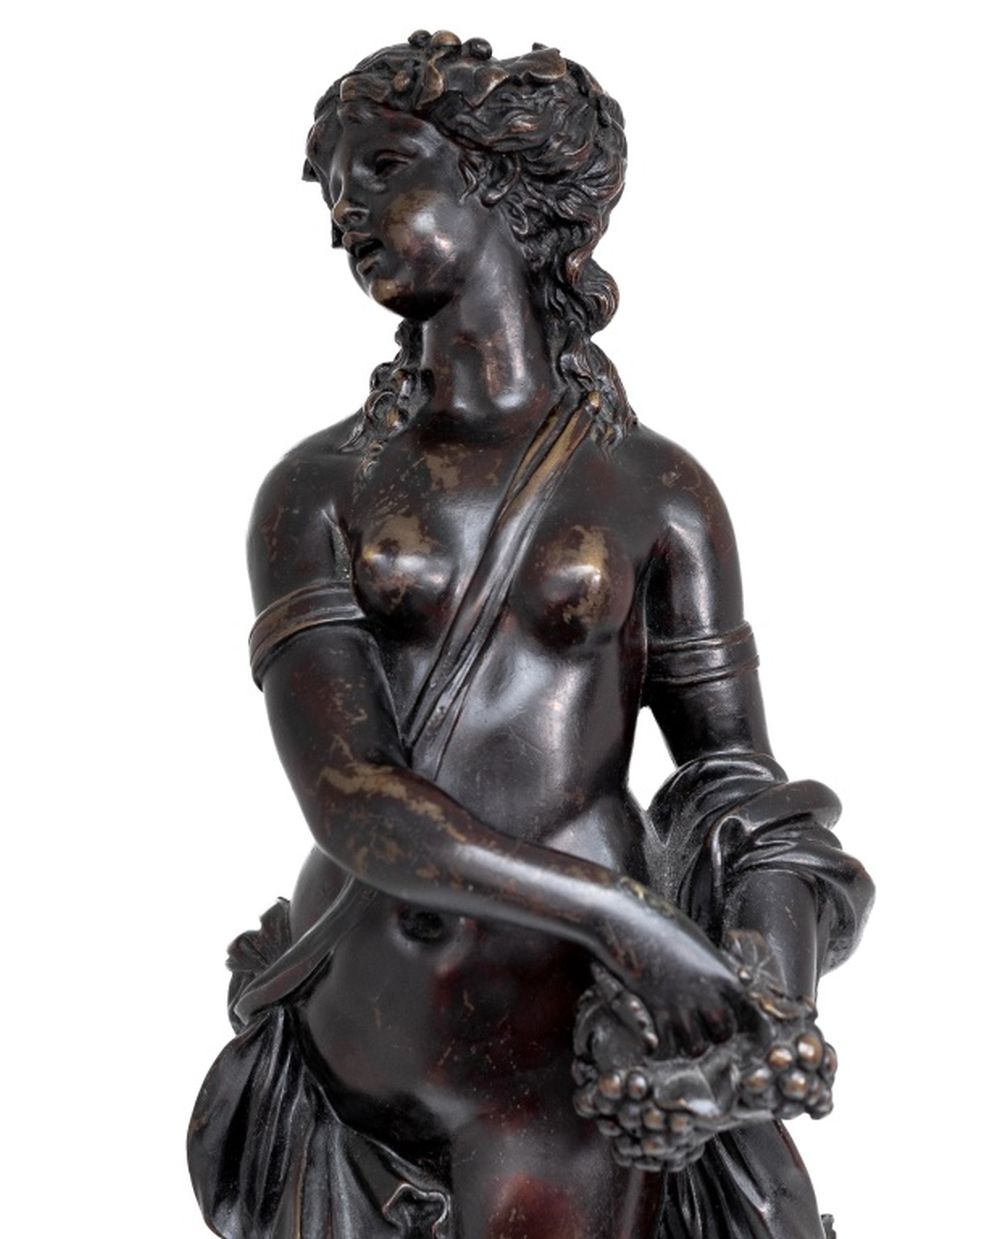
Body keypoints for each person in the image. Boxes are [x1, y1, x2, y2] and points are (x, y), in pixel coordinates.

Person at [188, 32, 873, 1239]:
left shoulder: (656, 492)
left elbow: (733, 778)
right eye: (329, 187)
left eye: (382, 169)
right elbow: (351, 796)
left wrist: (760, 994)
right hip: (371, 1021)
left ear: (500, 184)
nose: (343, 215)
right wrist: (627, 920)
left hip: (574, 1048)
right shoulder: (318, 490)